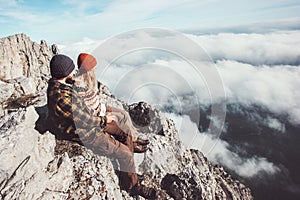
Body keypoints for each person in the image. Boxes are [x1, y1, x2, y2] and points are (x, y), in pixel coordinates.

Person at [47, 54, 157, 199]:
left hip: (92, 123)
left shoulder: (63, 84)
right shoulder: (61, 97)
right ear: (65, 73)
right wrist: (104, 119)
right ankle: (132, 186)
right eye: (71, 70)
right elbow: (85, 120)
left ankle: (129, 174)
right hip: (87, 133)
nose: (74, 72)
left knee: (125, 135)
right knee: (125, 153)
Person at [75, 53, 149, 153]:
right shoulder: (80, 86)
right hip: (98, 116)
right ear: (88, 70)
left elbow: (93, 101)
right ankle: (132, 144)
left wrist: (103, 108)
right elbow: (87, 111)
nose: (95, 70)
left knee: (124, 114)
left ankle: (135, 139)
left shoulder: (87, 80)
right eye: (93, 68)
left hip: (100, 108)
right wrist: (104, 114)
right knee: (120, 120)